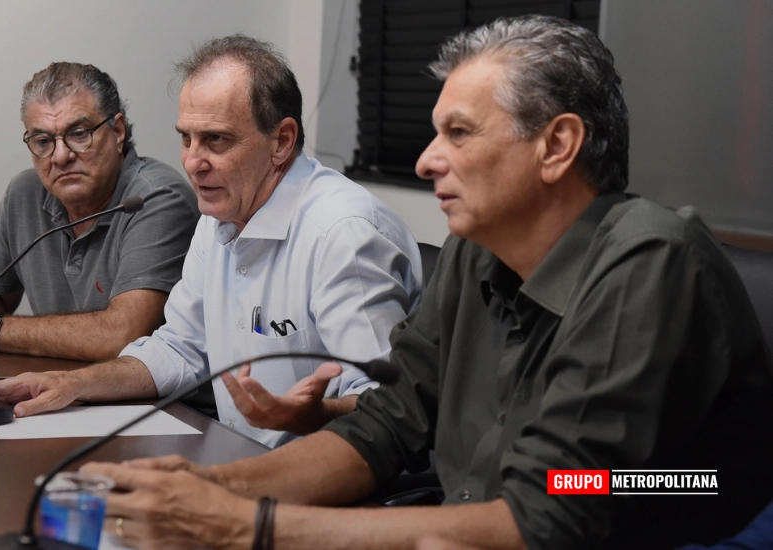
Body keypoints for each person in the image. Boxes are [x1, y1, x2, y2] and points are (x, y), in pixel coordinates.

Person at [74, 15, 773, 550]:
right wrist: (207, 486)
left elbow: (555, 506)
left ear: (557, 146)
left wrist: (243, 525)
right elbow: (387, 423)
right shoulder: (475, 250)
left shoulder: (651, 259)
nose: (426, 161)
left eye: (459, 133)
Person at [0, 36, 424, 446]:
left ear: (282, 141)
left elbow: (385, 406)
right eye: (186, 139)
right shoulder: (221, 213)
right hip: (242, 454)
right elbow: (179, 348)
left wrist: (315, 415)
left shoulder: (343, 233)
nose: (192, 162)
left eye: (216, 140)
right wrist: (75, 384)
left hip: (333, 480)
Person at [0, 62, 199, 362]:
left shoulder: (157, 198)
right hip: (51, 385)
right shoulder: (26, 193)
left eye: (79, 134)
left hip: (146, 394)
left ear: (117, 131)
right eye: (43, 141)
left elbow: (121, 335)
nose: (60, 156)